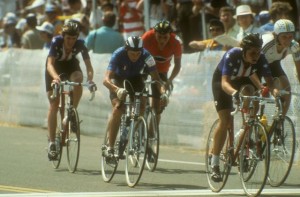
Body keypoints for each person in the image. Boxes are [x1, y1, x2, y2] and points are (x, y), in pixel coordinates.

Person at [210, 34, 277, 182]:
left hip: (241, 80)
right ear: (244, 51)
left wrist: (274, 92)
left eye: (258, 52)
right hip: (223, 84)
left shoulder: (261, 57)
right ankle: (214, 163)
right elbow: (224, 83)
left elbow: (270, 82)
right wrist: (234, 93)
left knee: (251, 94)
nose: (256, 56)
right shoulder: (232, 55)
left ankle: (245, 131)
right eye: (252, 53)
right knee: (225, 119)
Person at [102, 36, 166, 160]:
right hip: (118, 80)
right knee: (118, 109)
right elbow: (106, 80)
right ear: (126, 50)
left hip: (135, 79)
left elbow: (157, 79)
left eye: (138, 53)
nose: (135, 56)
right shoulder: (118, 54)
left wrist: (163, 93)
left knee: (142, 105)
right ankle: (110, 147)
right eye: (132, 53)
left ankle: (128, 134)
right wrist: (117, 89)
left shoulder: (147, 56)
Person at [45, 21, 96, 160]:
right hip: (55, 67)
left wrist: (90, 79)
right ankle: (51, 143)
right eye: (68, 38)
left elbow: (89, 67)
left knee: (78, 79)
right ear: (63, 36)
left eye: (74, 39)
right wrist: (55, 78)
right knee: (54, 103)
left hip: (71, 65)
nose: (71, 42)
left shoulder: (80, 44)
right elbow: (50, 64)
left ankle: (72, 111)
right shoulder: (56, 42)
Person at [141, 20, 182, 129]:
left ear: (170, 35)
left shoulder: (176, 42)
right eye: (159, 37)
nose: (162, 40)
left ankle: (150, 135)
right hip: (145, 68)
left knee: (157, 106)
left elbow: (177, 66)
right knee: (140, 96)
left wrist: (169, 80)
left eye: (165, 37)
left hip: (162, 71)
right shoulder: (147, 37)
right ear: (154, 33)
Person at [261, 19, 300, 116]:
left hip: (273, 63)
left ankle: (280, 119)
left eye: (290, 36)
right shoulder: (267, 43)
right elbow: (256, 64)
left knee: (286, 89)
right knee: (262, 90)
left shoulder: (294, 46)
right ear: (275, 35)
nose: (287, 40)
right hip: (258, 64)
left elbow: (299, 69)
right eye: (284, 37)